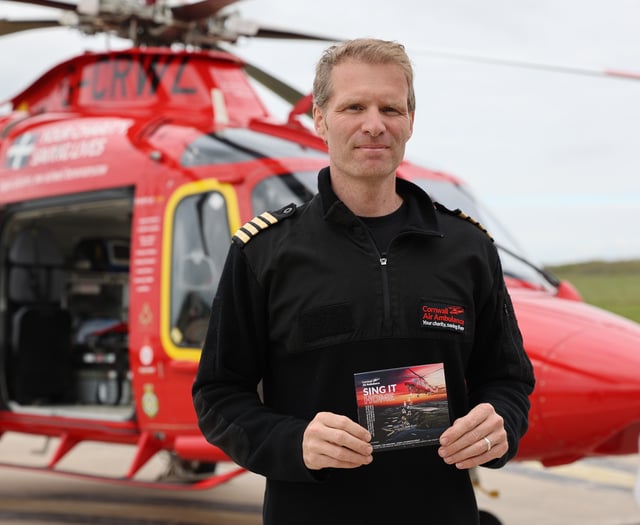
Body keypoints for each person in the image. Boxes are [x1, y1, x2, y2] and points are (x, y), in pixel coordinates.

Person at [192, 38, 535, 524]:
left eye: (390, 108)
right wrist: (293, 443)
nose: (374, 124)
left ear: (410, 121)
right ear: (320, 119)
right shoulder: (264, 253)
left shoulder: (468, 248)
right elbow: (219, 395)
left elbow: (508, 379)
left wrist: (501, 423)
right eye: (354, 107)